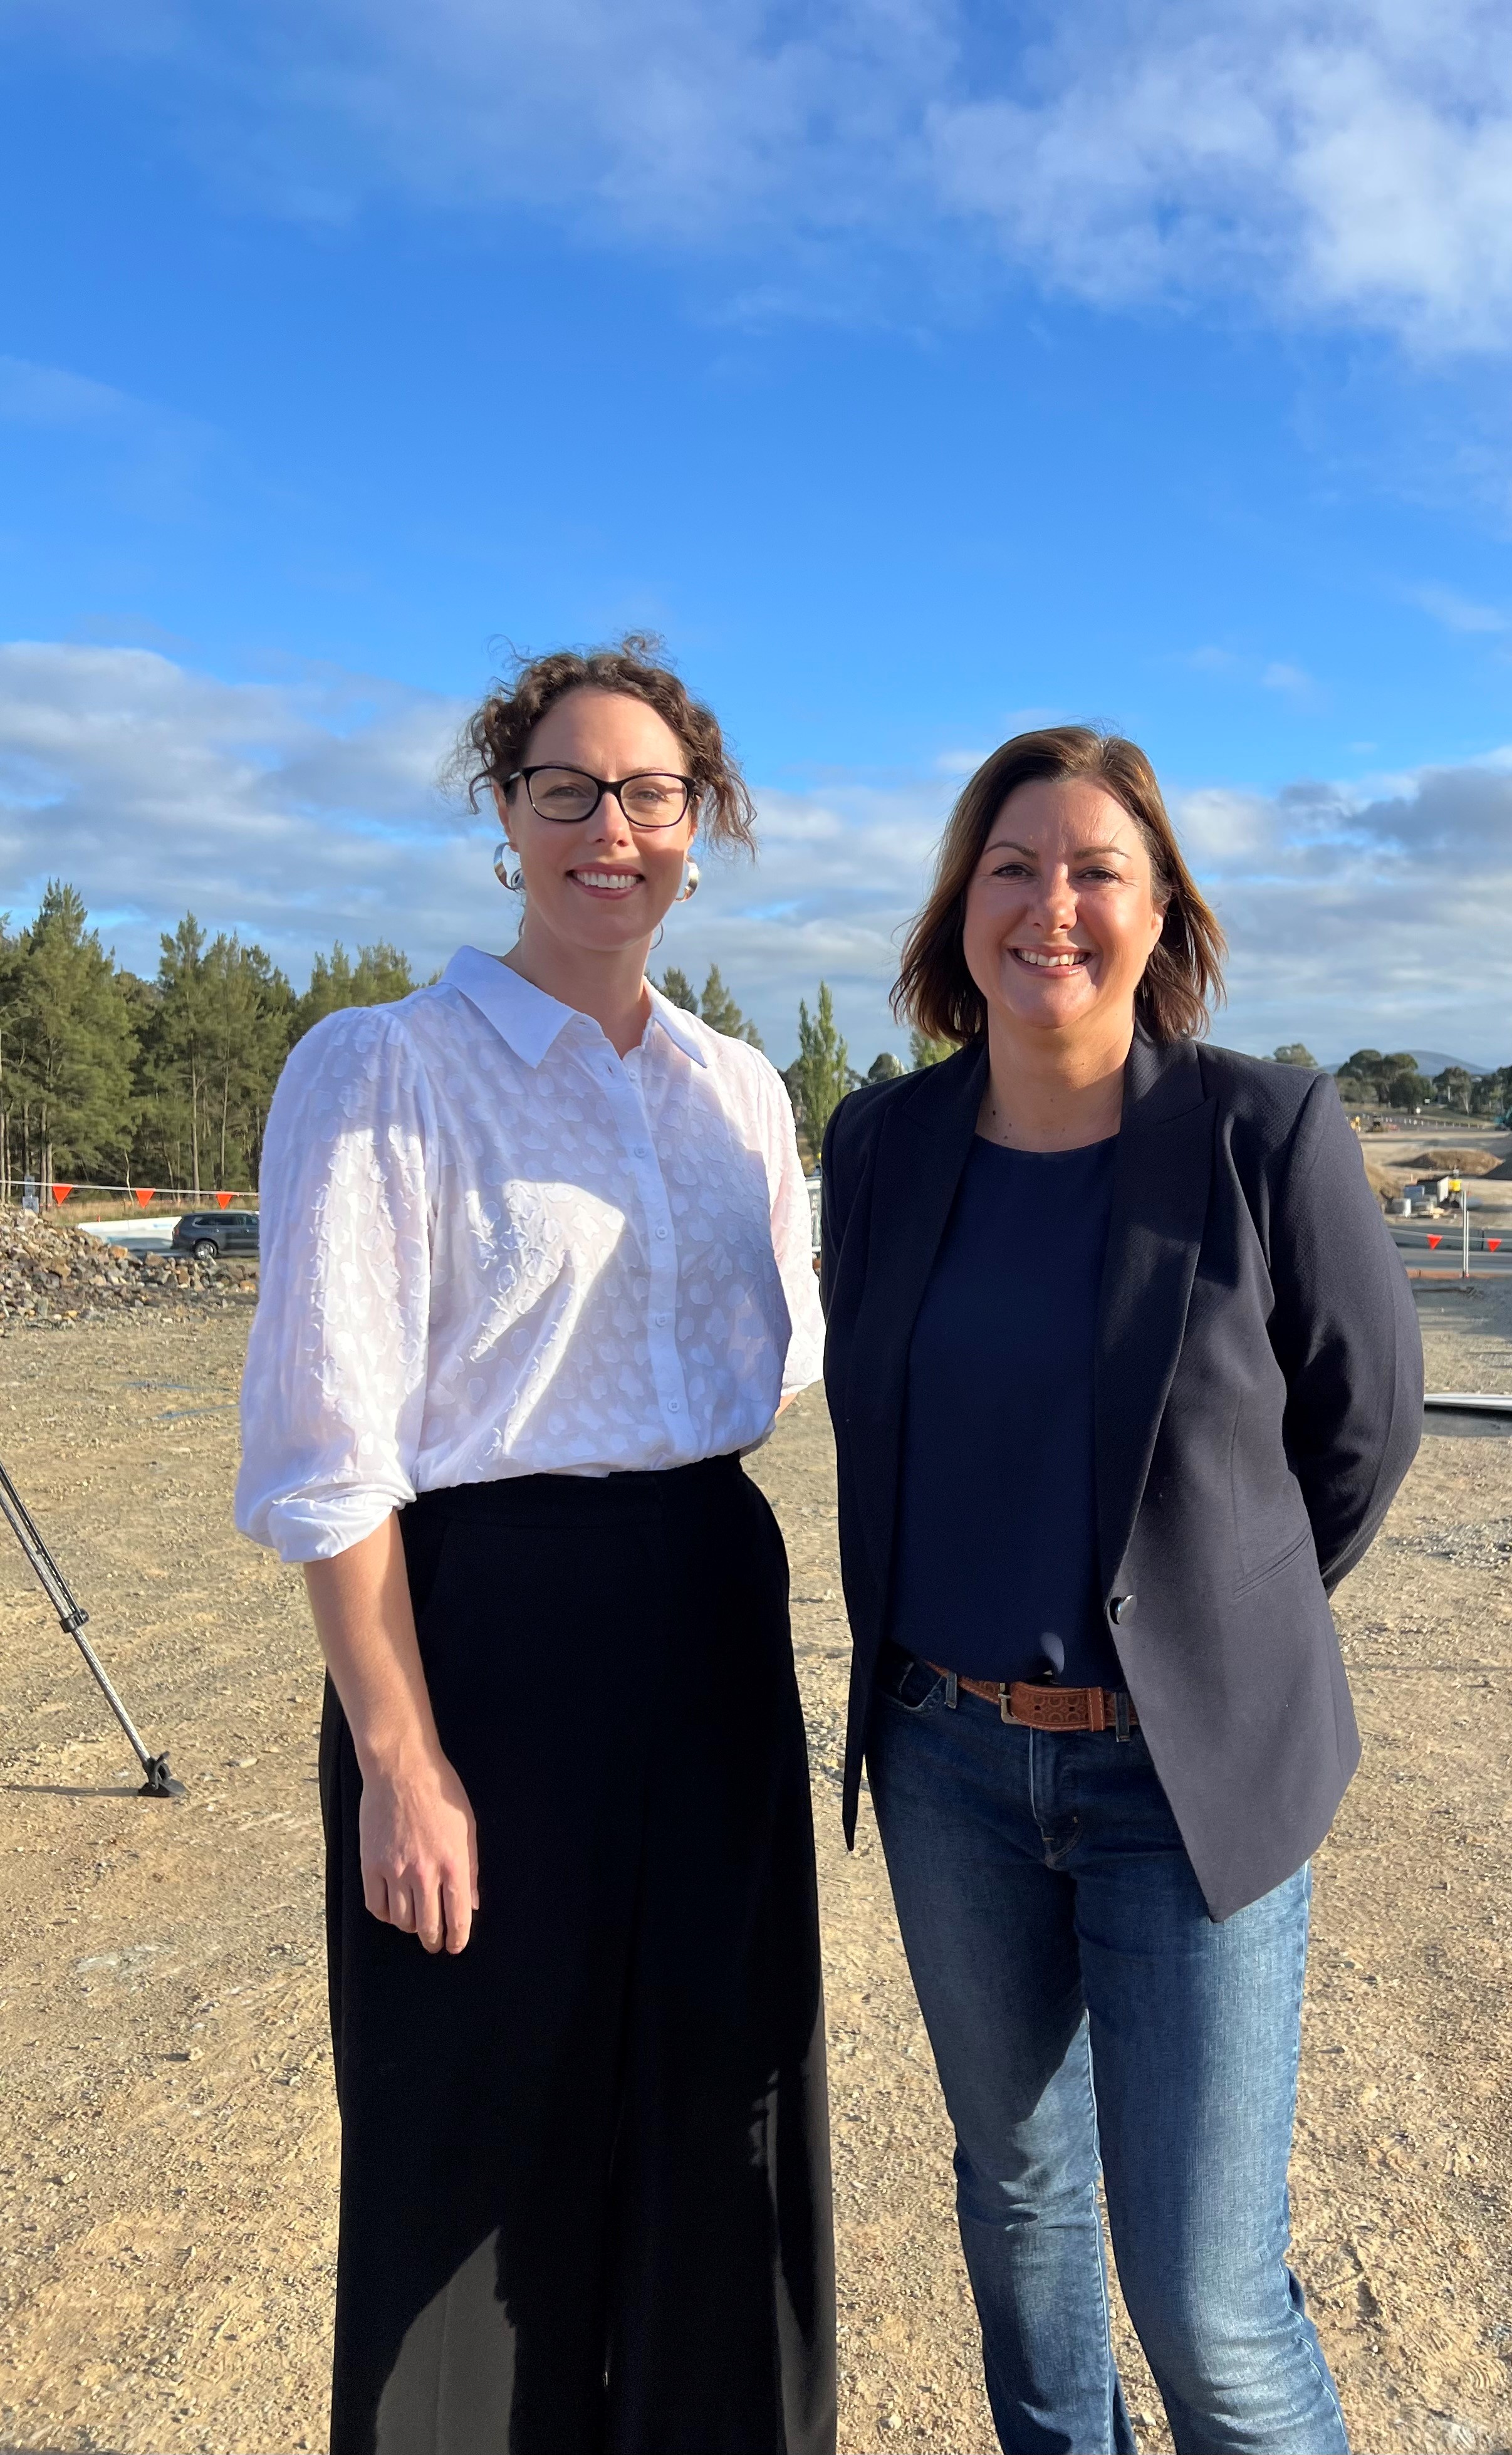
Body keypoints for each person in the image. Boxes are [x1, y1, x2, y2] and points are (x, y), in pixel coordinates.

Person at [236, 640, 835, 2455]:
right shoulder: (385, 1070)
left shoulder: (739, 1091)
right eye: (564, 789)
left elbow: (788, 1364)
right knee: (470, 2135)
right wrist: (400, 1759)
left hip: (712, 1628)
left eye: (649, 793)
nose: (608, 827)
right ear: (505, 819)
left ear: (699, 831)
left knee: (712, 2116)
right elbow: (332, 1451)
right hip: (482, 1638)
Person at [820, 726, 1422, 2454]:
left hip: (1187, 1782)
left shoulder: (1262, 1128)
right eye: (1012, 866)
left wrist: (1216, 1627)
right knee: (1017, 2212)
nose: (1050, 905)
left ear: (1160, 918)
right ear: (960, 905)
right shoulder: (881, 1146)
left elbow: (1361, 1430)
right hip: (948, 1766)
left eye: (1096, 870)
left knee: (1206, 2305)